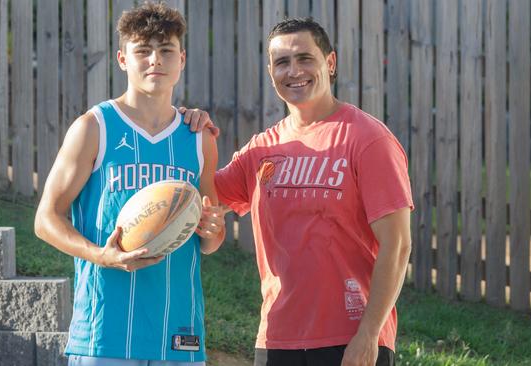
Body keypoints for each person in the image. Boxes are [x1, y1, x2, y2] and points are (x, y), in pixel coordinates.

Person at [185, 17, 413, 366]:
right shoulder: (261, 150)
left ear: (330, 63)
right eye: (282, 62)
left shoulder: (368, 139)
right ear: (271, 71)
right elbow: (200, 198)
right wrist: (187, 131)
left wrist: (369, 334)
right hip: (276, 337)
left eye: (305, 58)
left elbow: (397, 246)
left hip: (350, 338)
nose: (294, 71)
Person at [34, 3, 224, 365]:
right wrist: (101, 255)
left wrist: (213, 231)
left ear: (181, 59)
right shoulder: (94, 127)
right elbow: (45, 220)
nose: (155, 59)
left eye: (166, 50)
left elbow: (210, 241)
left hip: (179, 333)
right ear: (123, 59)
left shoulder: (199, 138)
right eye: (143, 50)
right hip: (105, 334)